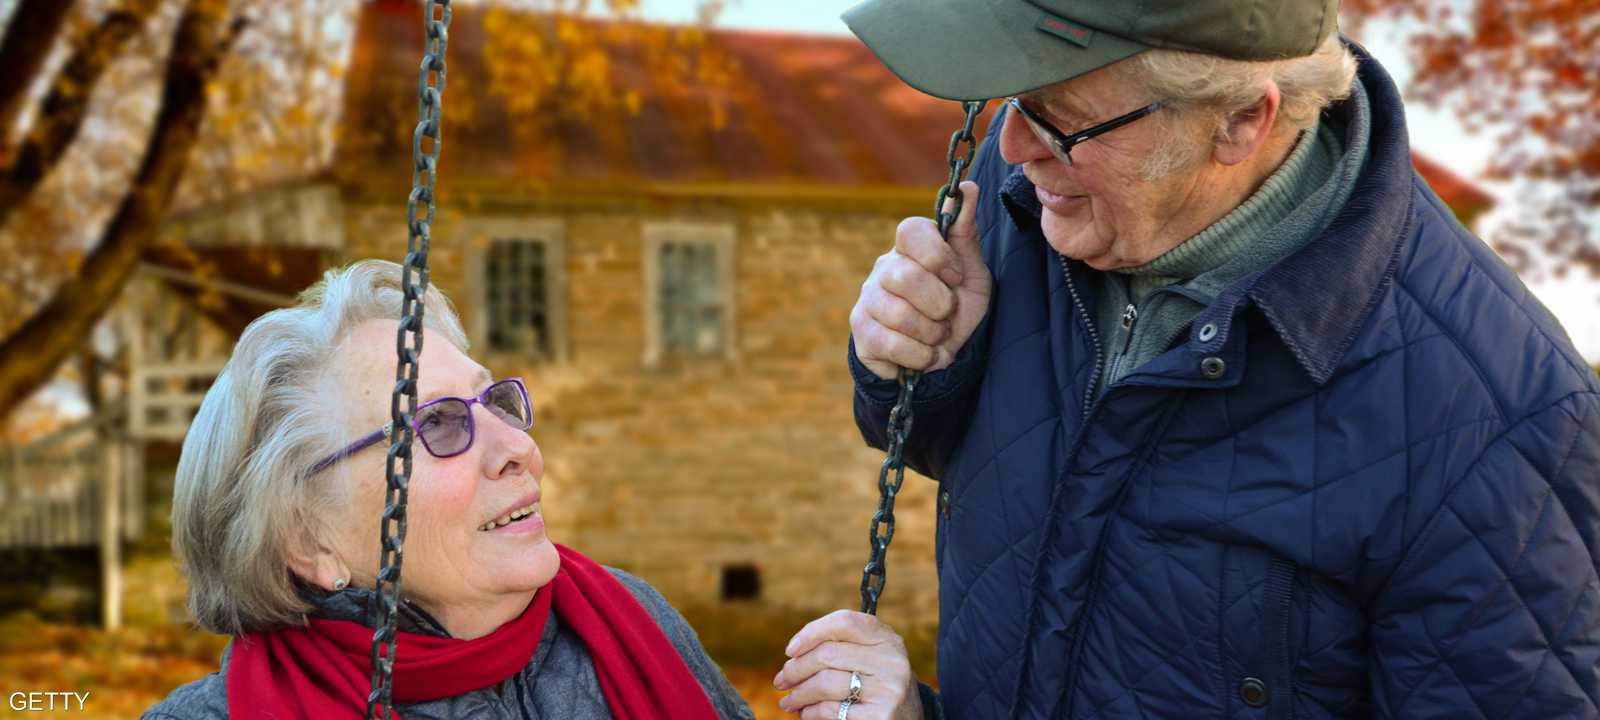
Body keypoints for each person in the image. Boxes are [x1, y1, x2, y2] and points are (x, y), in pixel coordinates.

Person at [775, 0, 1600, 718]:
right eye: (1009, 98)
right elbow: (982, 467)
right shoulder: (1040, 193)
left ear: (1242, 121)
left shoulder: (1505, 427)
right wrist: (915, 368)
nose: (1014, 144)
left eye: (1059, 114)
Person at [143, 260, 754, 719]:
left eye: (495, 402)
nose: (519, 448)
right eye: (436, 423)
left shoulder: (634, 621)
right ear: (308, 538)